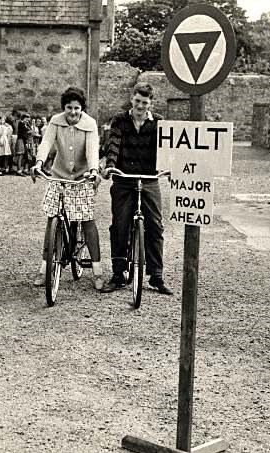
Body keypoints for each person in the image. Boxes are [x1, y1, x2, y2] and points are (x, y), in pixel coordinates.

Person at [100, 82, 173, 295]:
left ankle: (156, 275)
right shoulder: (120, 120)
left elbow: (167, 149)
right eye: (137, 101)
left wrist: (169, 168)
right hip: (124, 178)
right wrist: (111, 167)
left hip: (149, 178)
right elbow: (113, 146)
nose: (141, 105)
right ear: (132, 98)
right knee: (119, 225)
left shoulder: (159, 122)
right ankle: (118, 274)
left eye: (145, 102)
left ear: (151, 103)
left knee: (155, 225)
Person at [30, 87, 104, 290]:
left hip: (82, 177)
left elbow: (92, 150)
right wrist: (38, 163)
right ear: (64, 108)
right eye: (69, 108)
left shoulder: (89, 124)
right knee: (51, 219)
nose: (73, 112)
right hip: (59, 176)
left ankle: (97, 271)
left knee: (88, 220)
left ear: (82, 108)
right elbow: (46, 143)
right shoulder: (55, 121)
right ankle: (44, 269)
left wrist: (94, 170)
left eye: (77, 108)